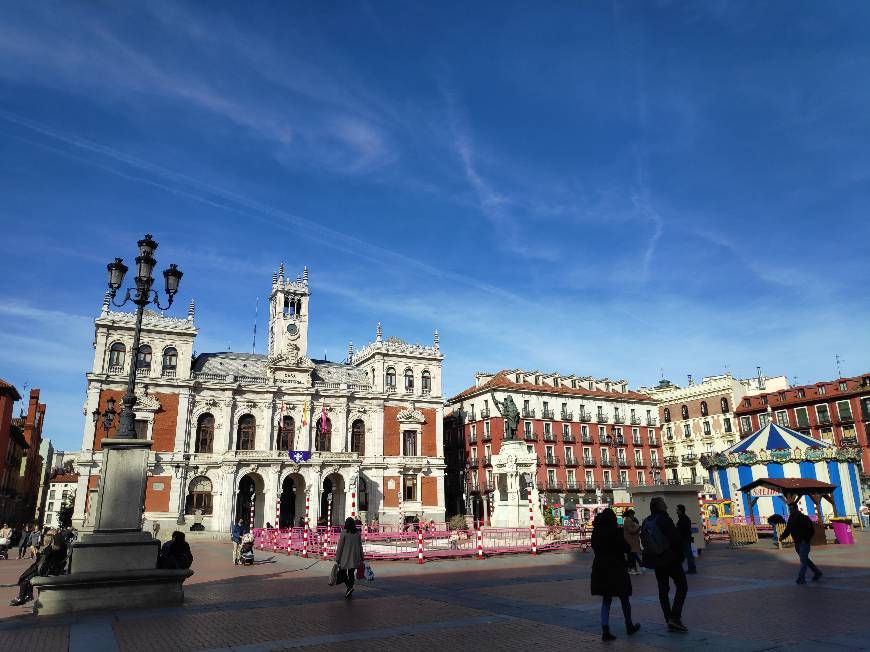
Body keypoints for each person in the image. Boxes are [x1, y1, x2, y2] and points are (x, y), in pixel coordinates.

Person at [591, 509, 641, 641]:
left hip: (600, 568)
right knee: (624, 598)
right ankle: (629, 625)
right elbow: (626, 548)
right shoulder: (615, 531)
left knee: (606, 599)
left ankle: (605, 630)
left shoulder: (596, 531)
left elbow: (594, 547)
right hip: (617, 568)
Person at [642, 497, 689, 632]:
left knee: (663, 590)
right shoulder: (664, 519)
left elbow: (643, 541)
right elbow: (675, 539)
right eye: (664, 504)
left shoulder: (646, 521)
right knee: (682, 586)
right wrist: (680, 557)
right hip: (670, 559)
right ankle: (675, 618)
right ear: (659, 506)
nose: (666, 506)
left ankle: (668, 618)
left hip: (656, 561)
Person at [9, 528, 68, 606]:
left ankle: (22, 597)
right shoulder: (55, 547)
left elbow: (43, 559)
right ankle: (27, 595)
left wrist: (35, 552)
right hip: (50, 567)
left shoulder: (51, 548)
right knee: (26, 576)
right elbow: (45, 557)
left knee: (25, 579)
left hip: (47, 569)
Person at [781, 502, 822, 584]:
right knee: (805, 559)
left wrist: (806, 539)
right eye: (789, 509)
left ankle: (801, 577)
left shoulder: (803, 517)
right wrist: (783, 536)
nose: (790, 510)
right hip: (797, 542)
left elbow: (811, 529)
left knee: (803, 561)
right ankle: (817, 572)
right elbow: (788, 529)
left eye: (791, 509)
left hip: (803, 542)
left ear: (796, 508)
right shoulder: (791, 518)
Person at [334, 517, 364, 599]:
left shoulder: (344, 533)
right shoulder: (357, 533)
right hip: (354, 557)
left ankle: (349, 587)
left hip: (345, 556)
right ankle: (350, 589)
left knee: (342, 571)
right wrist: (362, 556)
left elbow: (340, 547)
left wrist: (337, 558)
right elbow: (360, 546)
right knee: (351, 573)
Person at [676, 505, 697, 574]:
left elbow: (683, 530)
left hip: (684, 539)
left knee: (688, 554)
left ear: (680, 510)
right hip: (685, 539)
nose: (676, 511)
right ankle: (691, 568)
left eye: (677, 510)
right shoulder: (683, 518)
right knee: (687, 554)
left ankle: (692, 569)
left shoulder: (683, 519)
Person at [622, 509, 642, 574]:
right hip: (631, 541)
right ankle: (631, 569)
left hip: (631, 541)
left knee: (632, 555)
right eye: (633, 514)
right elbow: (631, 530)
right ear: (630, 514)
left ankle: (633, 568)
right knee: (631, 556)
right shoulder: (628, 521)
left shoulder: (629, 520)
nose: (633, 516)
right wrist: (638, 529)